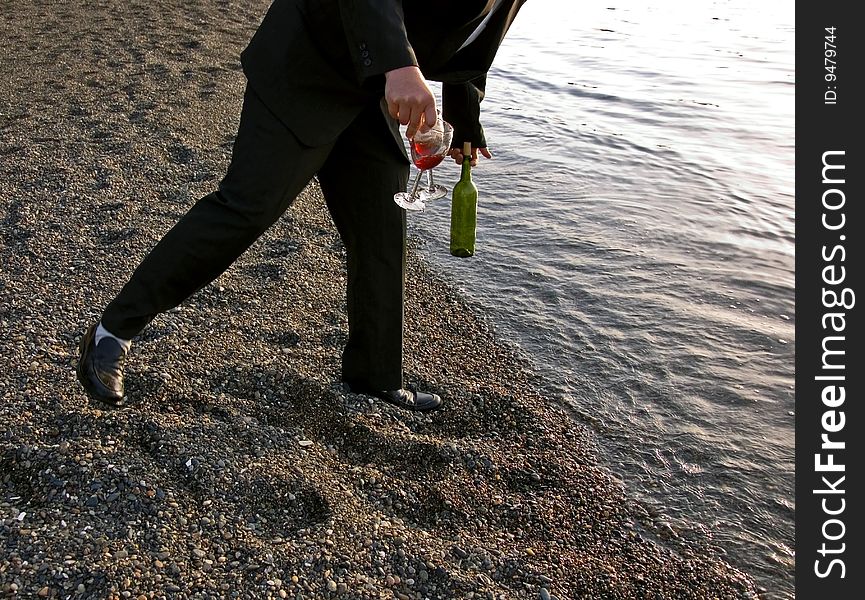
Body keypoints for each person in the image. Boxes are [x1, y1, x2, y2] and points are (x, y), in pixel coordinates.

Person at [77, 0, 527, 412]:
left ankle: (374, 375)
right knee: (247, 207)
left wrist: (466, 121)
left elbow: (470, 37)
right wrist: (399, 66)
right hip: (308, 63)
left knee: (382, 230)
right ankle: (113, 331)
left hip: (372, 90)